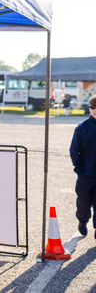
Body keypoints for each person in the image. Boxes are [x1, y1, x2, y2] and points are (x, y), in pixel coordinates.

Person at [70, 95, 96, 237]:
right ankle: (82, 221)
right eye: (92, 107)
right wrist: (79, 169)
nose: (95, 110)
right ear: (89, 108)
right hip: (86, 174)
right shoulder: (82, 128)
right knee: (84, 205)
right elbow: (74, 150)